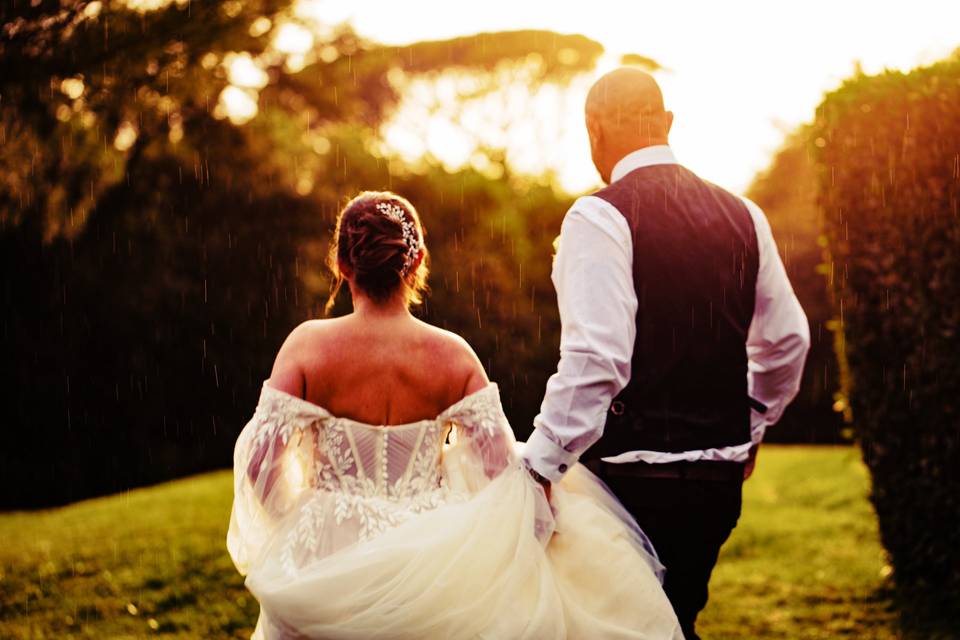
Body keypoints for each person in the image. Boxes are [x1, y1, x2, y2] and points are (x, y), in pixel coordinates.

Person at [227, 191, 683, 639]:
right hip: (432, 556)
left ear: (343, 264)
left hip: (321, 554)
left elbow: (260, 462)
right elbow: (501, 474)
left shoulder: (306, 346)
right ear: (417, 259)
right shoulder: (453, 356)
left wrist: (301, 523)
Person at [523, 68, 811, 640]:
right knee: (677, 617)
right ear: (668, 124)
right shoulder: (744, 215)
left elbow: (597, 356)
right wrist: (748, 425)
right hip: (718, 482)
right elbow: (787, 342)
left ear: (594, 128)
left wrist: (540, 466)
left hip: (629, 481)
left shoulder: (599, 214)